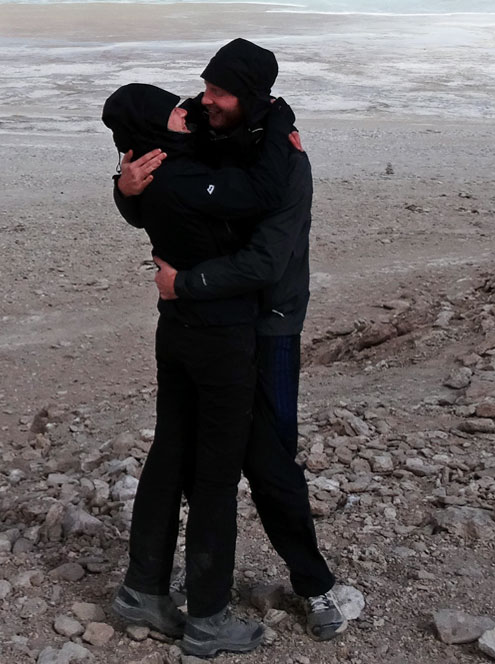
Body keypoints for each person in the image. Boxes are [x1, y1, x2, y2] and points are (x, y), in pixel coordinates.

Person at [122, 39, 348, 642]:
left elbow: (266, 261)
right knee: (190, 457)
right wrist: (125, 187)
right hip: (211, 327)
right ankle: (186, 598)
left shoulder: (288, 165)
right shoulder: (212, 134)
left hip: (268, 324)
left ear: (252, 100)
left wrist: (184, 283)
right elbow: (169, 196)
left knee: (269, 460)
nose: (204, 99)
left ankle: (315, 585)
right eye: (205, 86)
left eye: (219, 92)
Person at [100, 83, 270, 658]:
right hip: (215, 336)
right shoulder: (181, 177)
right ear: (149, 127)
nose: (188, 110)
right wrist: (279, 133)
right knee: (216, 476)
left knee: (170, 456)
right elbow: (256, 194)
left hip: (176, 332)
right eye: (171, 108)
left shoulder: (152, 172)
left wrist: (123, 191)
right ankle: (208, 617)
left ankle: (141, 591)